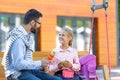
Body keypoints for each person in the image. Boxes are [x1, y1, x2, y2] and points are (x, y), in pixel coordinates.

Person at [1, 9, 62, 80]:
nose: (39, 26)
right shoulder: (18, 39)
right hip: (16, 73)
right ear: (33, 22)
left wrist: (41, 67)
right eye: (39, 23)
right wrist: (39, 63)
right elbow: (18, 64)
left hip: (28, 71)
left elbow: (27, 61)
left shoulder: (28, 37)